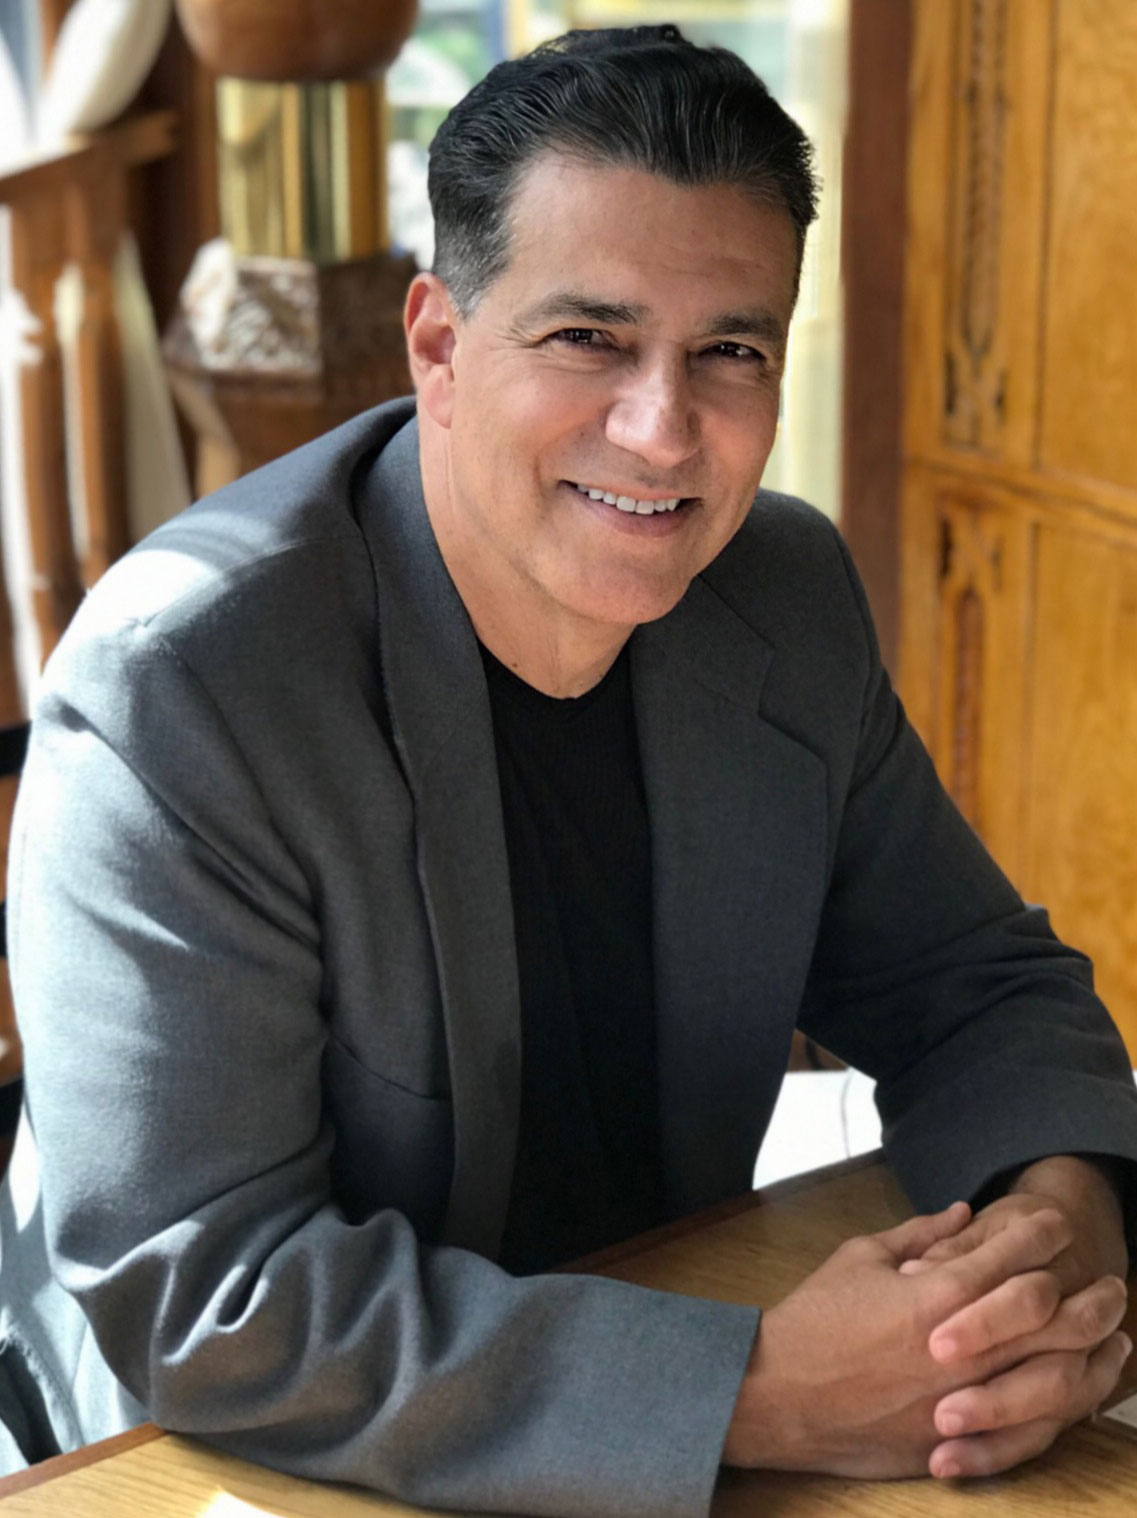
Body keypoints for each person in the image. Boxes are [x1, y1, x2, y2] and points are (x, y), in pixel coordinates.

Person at [1, 23, 1135, 1515]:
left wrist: (1060, 1232)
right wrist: (758, 1394)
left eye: (729, 350)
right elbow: (206, 1292)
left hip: (665, 1322)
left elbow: (973, 985)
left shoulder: (780, 593)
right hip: (239, 1451)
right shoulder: (187, 686)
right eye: (587, 338)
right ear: (437, 348)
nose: (663, 431)